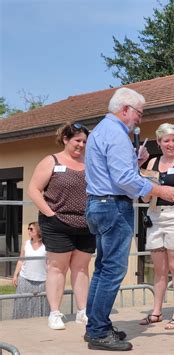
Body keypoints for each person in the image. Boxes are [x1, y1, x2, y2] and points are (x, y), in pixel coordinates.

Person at [84, 87, 174, 351]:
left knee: (103, 268)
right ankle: (98, 331)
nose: (140, 119)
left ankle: (96, 325)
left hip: (98, 203)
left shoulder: (100, 131)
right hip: (113, 206)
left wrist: (134, 158)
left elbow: (113, 171)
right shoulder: (117, 134)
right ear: (126, 109)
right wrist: (158, 189)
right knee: (113, 270)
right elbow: (124, 179)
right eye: (139, 113)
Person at [28, 122, 94, 330]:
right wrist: (51, 214)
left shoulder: (90, 163)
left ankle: (82, 311)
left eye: (84, 142)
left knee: (82, 268)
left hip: (86, 223)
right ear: (65, 139)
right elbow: (33, 189)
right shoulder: (51, 160)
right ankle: (55, 312)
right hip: (57, 222)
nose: (81, 145)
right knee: (57, 268)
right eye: (77, 141)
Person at [139, 123, 174, 329]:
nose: (170, 144)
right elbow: (144, 195)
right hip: (156, 216)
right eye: (166, 140)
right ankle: (156, 312)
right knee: (159, 269)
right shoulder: (152, 162)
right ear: (159, 143)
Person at [12, 222, 49, 319]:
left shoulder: (46, 246)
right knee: (22, 304)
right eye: (28, 228)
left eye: (31, 229)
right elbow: (21, 260)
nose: (28, 230)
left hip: (41, 280)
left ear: (38, 231)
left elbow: (50, 264)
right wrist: (15, 275)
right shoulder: (26, 244)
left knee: (39, 307)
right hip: (25, 279)